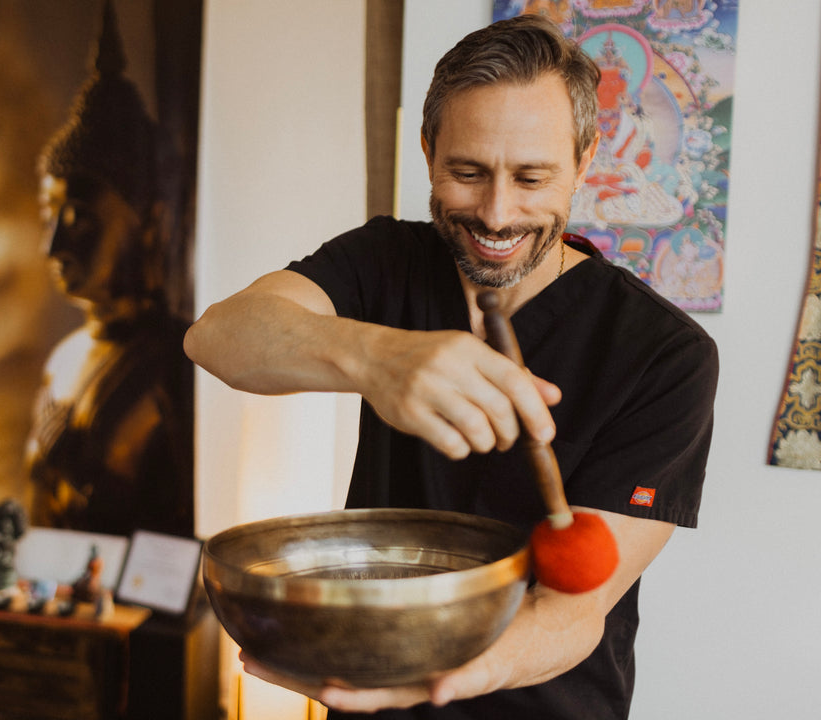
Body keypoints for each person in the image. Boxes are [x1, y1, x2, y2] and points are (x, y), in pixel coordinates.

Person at [184, 14, 717, 720]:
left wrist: (426, 683)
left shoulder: (664, 355)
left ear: (586, 160)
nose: (497, 214)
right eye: (467, 172)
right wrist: (378, 357)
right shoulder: (385, 263)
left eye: (532, 177)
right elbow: (217, 337)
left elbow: (574, 611)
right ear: (430, 150)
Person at [25, 1, 194, 538]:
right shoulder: (66, 358)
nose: (52, 246)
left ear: (150, 223)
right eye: (49, 217)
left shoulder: (175, 370)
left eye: (78, 221)